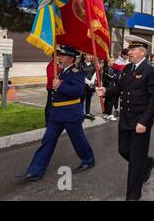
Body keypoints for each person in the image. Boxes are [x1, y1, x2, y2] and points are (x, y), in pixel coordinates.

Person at [17, 46, 95, 182]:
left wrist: (60, 86)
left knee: (78, 141)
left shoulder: (76, 72)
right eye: (59, 55)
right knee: (47, 141)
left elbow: (77, 91)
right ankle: (34, 171)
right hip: (57, 115)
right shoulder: (62, 72)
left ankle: (88, 160)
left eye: (62, 55)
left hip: (70, 114)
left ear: (71, 58)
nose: (58, 57)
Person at [96, 35, 154, 201]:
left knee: (135, 162)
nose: (128, 52)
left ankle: (133, 195)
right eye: (129, 49)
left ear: (141, 52)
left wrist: (144, 121)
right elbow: (120, 88)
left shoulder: (151, 69)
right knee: (123, 150)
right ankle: (148, 163)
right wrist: (106, 91)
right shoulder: (127, 69)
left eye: (132, 49)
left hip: (140, 121)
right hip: (126, 118)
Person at [44, 56, 62, 125]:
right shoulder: (51, 65)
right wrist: (60, 80)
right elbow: (51, 77)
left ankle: (55, 119)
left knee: (56, 105)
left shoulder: (58, 64)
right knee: (50, 105)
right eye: (58, 55)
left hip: (57, 87)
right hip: (51, 87)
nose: (60, 57)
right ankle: (48, 121)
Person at [79, 54, 96, 121]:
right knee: (81, 100)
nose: (90, 57)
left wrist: (92, 81)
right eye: (88, 55)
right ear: (85, 56)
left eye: (91, 55)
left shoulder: (93, 64)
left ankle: (88, 113)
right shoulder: (81, 64)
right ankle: (80, 114)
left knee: (89, 99)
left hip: (90, 86)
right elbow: (80, 75)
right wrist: (88, 82)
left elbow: (95, 73)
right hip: (83, 85)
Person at [102, 57, 118, 121]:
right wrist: (115, 76)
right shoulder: (109, 68)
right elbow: (111, 77)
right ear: (108, 61)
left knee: (107, 100)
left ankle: (106, 113)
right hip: (109, 86)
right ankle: (110, 114)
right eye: (112, 60)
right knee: (111, 100)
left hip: (107, 85)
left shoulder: (107, 68)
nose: (113, 62)